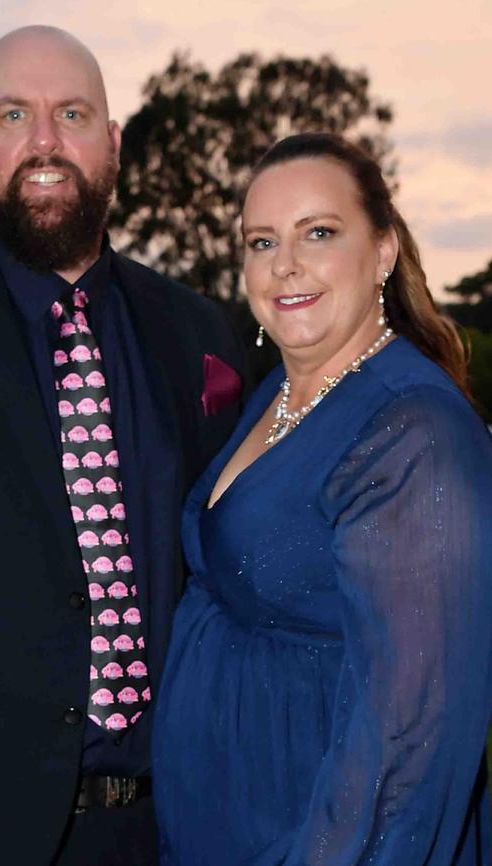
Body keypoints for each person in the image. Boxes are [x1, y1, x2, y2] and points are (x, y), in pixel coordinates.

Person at [0, 25, 245, 866]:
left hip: (177, 829)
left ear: (115, 141)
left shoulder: (202, 333)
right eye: (13, 114)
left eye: (72, 112)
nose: (45, 141)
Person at [153, 133, 492, 865]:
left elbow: (409, 746)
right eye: (261, 240)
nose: (285, 264)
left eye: (319, 232)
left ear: (383, 251)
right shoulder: (279, 389)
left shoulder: (413, 432)